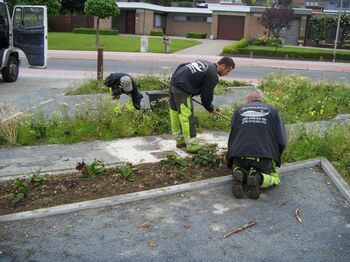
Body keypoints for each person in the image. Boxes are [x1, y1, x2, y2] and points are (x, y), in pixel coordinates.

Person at [227, 90, 287, 199]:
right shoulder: (273, 111)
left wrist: (231, 158)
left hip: (240, 155)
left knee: (238, 168)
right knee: (275, 178)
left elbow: (232, 137)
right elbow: (282, 140)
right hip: (263, 157)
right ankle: (258, 178)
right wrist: (276, 156)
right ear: (261, 100)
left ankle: (241, 172)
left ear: (248, 100)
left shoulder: (238, 111)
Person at [169, 57, 235, 153]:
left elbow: (182, 65)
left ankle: (180, 140)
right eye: (227, 71)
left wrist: (175, 80)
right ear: (222, 66)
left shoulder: (204, 62)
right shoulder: (212, 75)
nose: (227, 74)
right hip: (182, 89)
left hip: (174, 85)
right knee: (187, 116)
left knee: (175, 113)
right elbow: (206, 96)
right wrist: (210, 109)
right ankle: (192, 145)